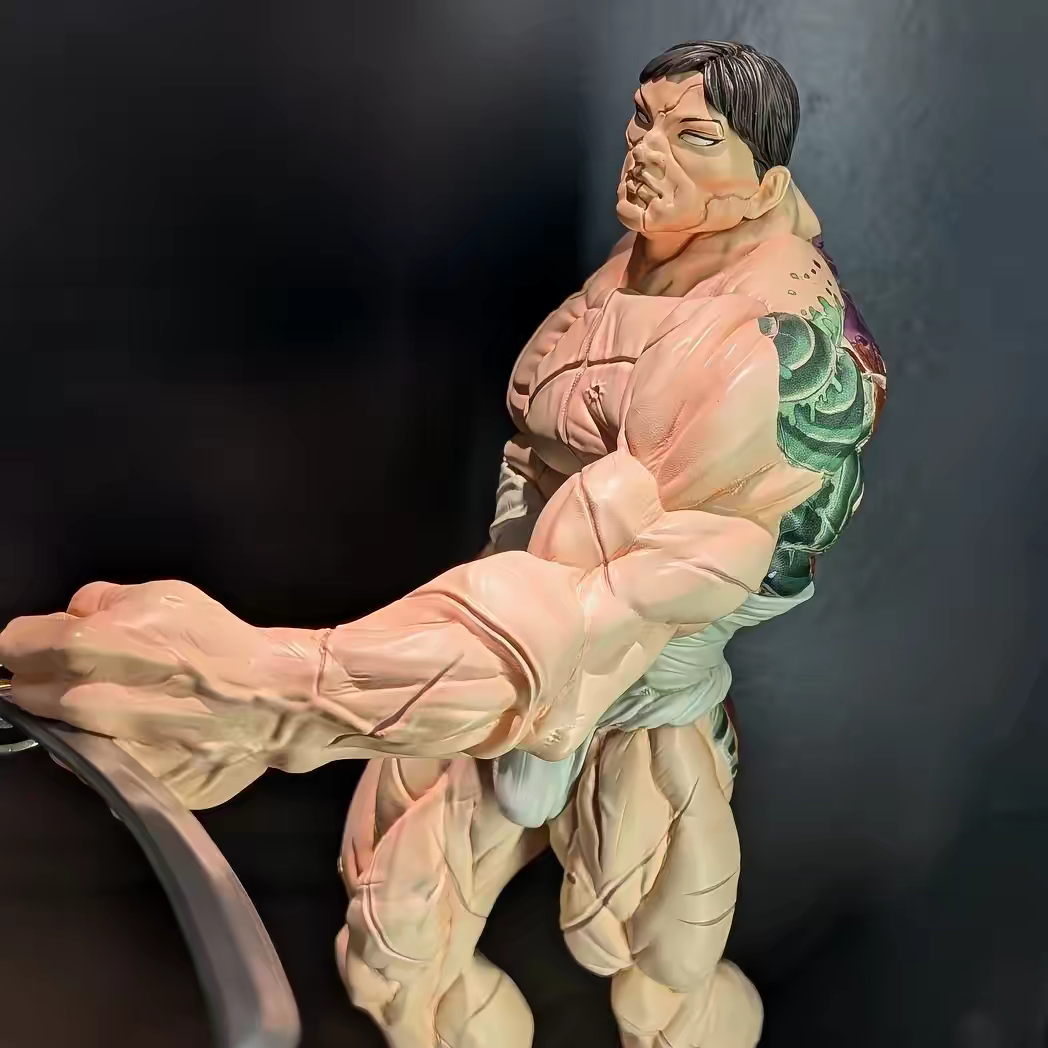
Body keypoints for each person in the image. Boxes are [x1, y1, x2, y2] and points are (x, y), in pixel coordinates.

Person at [0, 40, 885, 1048]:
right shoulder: (652, 256)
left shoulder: (771, 355)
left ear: (760, 183)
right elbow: (536, 504)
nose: (646, 152)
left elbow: (592, 612)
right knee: (394, 958)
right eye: (644, 123)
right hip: (501, 632)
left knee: (662, 981)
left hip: (632, 693)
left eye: (693, 138)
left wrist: (261, 689)